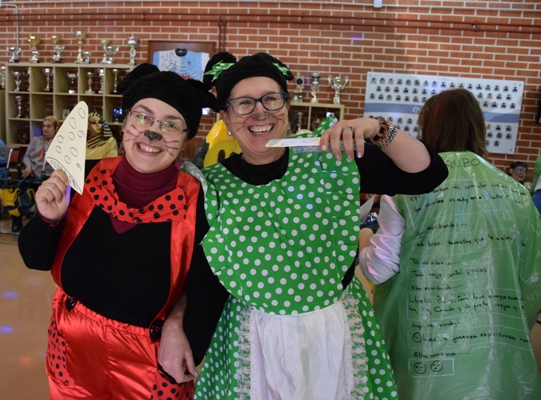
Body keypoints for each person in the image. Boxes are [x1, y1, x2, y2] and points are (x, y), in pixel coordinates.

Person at [160, 52, 449, 399]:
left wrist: (377, 128)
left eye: (271, 99)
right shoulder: (210, 187)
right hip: (252, 342)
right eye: (244, 103)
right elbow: (201, 279)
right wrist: (176, 324)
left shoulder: (330, 158)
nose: (259, 112)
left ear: (287, 105)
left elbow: (428, 175)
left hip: (335, 335)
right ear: (225, 116)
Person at [17, 64, 228, 399]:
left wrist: (187, 337)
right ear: (125, 122)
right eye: (142, 117)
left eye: (170, 124)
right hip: (71, 352)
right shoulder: (81, 178)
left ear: (186, 138)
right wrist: (48, 220)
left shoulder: (199, 204)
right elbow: (35, 259)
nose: (152, 133)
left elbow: (207, 290)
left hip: (149, 365)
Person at [359, 88, 541, 399]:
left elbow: (380, 269)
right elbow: (531, 277)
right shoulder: (516, 193)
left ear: (427, 128)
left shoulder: (405, 188)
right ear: (478, 128)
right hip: (494, 350)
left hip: (421, 348)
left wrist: (364, 241)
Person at [13, 116, 59, 232]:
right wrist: (28, 166)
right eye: (44, 126)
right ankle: (17, 219)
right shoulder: (35, 141)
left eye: (49, 126)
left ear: (55, 128)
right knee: (18, 188)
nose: (45, 129)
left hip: (48, 175)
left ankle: (40, 222)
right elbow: (27, 156)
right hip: (33, 172)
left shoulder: (59, 143)